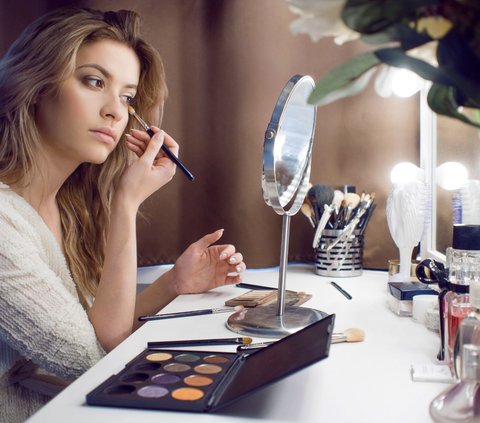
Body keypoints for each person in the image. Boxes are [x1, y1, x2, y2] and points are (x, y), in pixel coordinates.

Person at [0, 7, 246, 422]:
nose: (115, 111)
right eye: (94, 81)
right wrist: (126, 204)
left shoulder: (68, 207)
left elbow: (96, 327)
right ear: (36, 84)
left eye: (127, 97)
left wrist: (174, 282)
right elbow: (91, 358)